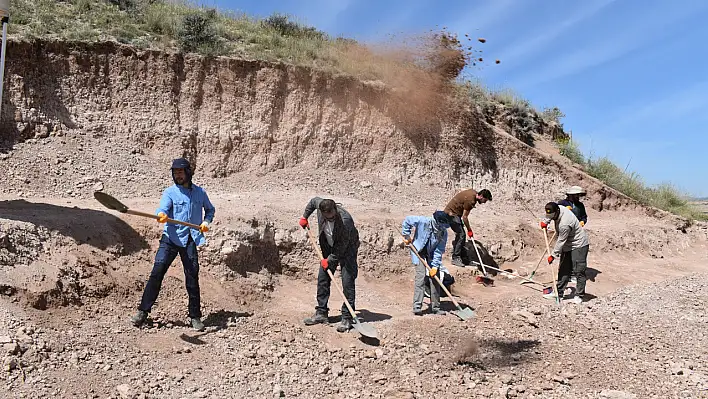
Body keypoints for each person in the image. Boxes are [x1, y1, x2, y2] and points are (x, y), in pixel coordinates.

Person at [131, 158, 215, 331]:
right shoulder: (170, 192)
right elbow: (163, 208)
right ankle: (142, 312)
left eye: (180, 172)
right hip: (170, 238)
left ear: (188, 173)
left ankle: (195, 317)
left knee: (192, 277)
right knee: (157, 272)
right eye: (175, 172)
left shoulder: (200, 193)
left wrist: (206, 222)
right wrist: (162, 214)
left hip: (190, 239)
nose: (177, 175)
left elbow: (210, 210)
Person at [299, 197, 361, 333]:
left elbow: (342, 246)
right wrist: (305, 217)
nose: (331, 218)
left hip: (348, 249)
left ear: (335, 210)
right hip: (328, 244)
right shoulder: (320, 206)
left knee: (347, 281)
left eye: (332, 216)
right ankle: (321, 313)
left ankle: (347, 317)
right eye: (327, 217)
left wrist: (330, 260)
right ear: (322, 213)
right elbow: (313, 201)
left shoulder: (345, 221)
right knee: (323, 278)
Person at [401, 211, 451, 316]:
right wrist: (406, 235)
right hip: (417, 251)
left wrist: (435, 266)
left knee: (435, 278)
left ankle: (436, 307)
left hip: (431, 255)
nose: (443, 228)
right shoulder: (423, 221)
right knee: (421, 277)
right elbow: (407, 220)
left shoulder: (443, 233)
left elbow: (439, 250)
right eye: (442, 226)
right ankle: (417, 306)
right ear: (437, 222)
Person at [540, 202, 590, 304]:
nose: (551, 217)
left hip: (578, 245)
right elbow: (549, 215)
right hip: (567, 244)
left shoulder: (565, 224)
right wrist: (545, 221)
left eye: (552, 216)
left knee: (578, 270)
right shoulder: (559, 208)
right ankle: (559, 293)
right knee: (564, 269)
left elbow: (561, 241)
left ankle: (579, 295)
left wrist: (553, 255)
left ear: (557, 212)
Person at [443, 188, 492, 266]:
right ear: (481, 196)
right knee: (461, 235)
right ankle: (455, 258)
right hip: (451, 214)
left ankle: (464, 259)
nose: (484, 203)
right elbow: (465, 217)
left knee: (462, 235)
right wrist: (469, 230)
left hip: (455, 213)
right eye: (485, 200)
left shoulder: (473, 193)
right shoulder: (470, 200)